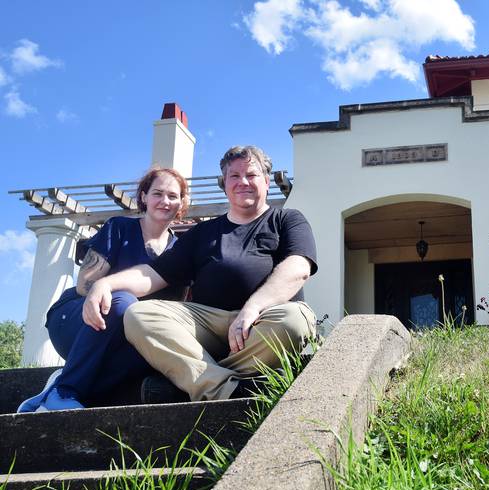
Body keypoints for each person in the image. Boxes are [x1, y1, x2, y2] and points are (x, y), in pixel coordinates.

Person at [82, 145, 317, 401]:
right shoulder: (202, 233)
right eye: (234, 176)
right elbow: (152, 274)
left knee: (295, 320)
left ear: (267, 180)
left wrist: (253, 308)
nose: (243, 182)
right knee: (138, 314)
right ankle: (228, 388)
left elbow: (297, 268)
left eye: (251, 175)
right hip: (206, 326)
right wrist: (105, 284)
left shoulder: (287, 220)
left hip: (264, 323)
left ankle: (197, 382)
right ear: (224, 183)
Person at [18, 167, 190, 412]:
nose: (165, 201)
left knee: (154, 345)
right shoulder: (119, 228)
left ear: (181, 202)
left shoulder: (180, 251)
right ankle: (66, 390)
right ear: (143, 196)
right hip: (79, 321)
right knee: (124, 302)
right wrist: (108, 288)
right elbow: (84, 284)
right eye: (157, 193)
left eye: (172, 196)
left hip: (127, 338)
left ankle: (60, 390)